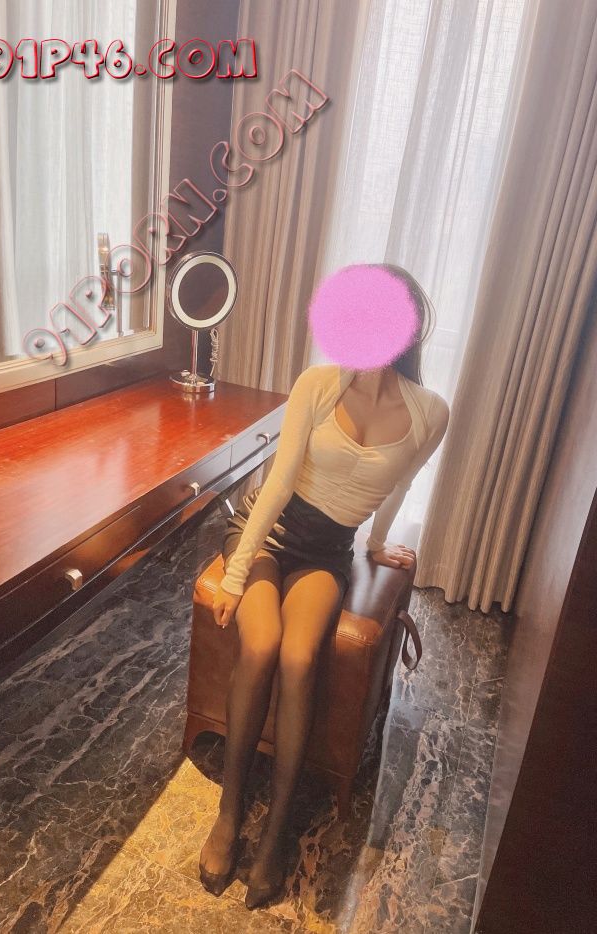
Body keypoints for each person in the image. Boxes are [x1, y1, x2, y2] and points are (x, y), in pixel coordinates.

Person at [199, 264, 450, 909]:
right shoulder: (318, 383)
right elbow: (279, 481)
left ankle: (277, 831)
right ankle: (230, 812)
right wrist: (236, 573)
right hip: (267, 533)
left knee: (300, 656)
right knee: (261, 644)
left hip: (326, 551)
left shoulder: (430, 413)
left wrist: (376, 544)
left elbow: (401, 483)